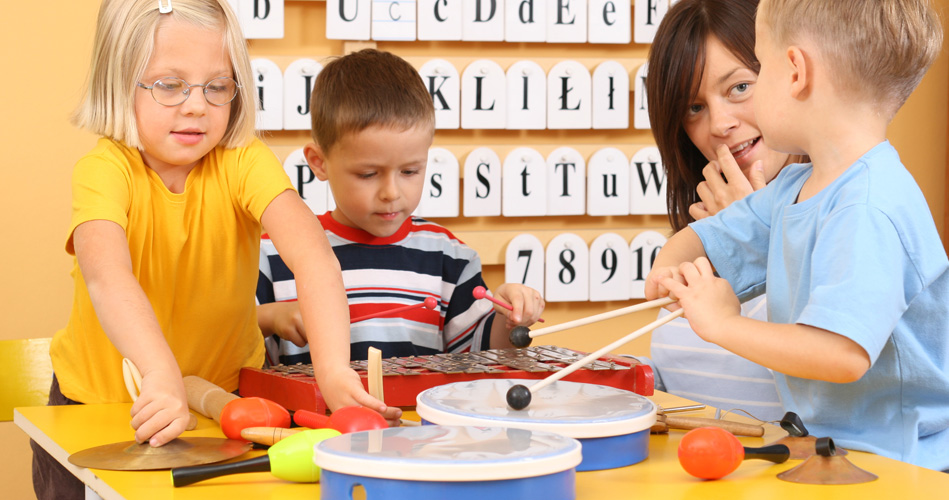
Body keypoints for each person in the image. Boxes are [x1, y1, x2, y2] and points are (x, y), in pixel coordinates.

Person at [33, 2, 383, 498]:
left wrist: (332, 371)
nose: (197, 105)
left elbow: (313, 257)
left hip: (226, 400)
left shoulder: (243, 161)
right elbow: (107, 277)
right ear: (118, 83)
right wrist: (161, 375)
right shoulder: (104, 170)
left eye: (217, 86)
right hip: (98, 405)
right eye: (169, 85)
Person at [646, 0, 947, 470]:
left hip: (905, 464)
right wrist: (671, 263)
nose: (722, 123)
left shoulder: (870, 206)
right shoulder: (793, 189)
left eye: (756, 73)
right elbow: (710, 236)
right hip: (832, 452)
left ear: (793, 72)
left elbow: (843, 353)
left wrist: (724, 324)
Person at [256, 49, 546, 367]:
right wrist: (269, 317)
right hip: (312, 418)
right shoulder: (276, 254)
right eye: (368, 174)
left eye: (410, 171)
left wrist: (511, 319)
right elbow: (229, 341)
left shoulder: (449, 257)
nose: (391, 193)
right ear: (319, 162)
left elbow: (482, 355)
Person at [642, 0, 802, 421]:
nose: (719, 124)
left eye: (739, 88)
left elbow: (845, 376)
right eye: (694, 108)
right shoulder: (691, 242)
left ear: (793, 76)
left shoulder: (854, 215)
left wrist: (754, 231)